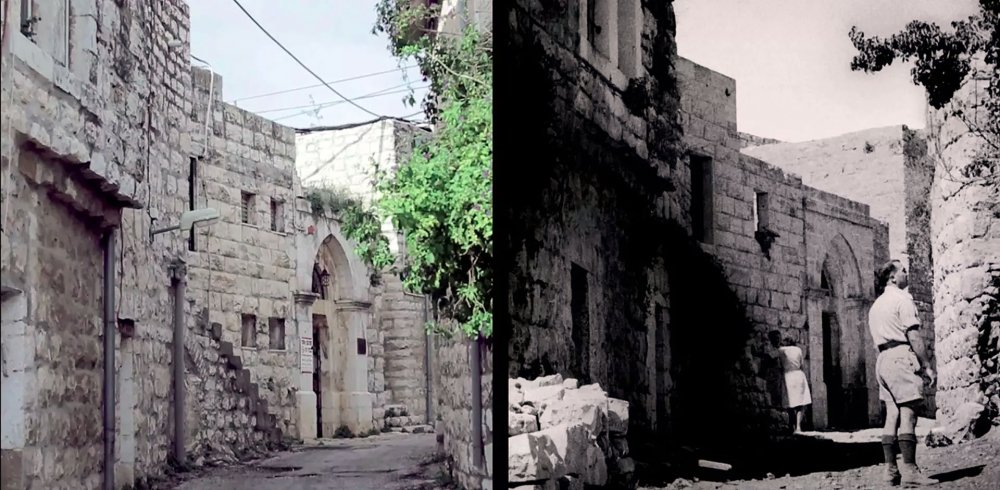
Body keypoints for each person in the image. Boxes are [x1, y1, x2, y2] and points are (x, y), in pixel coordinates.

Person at [869, 260, 938, 486]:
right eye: (903, 271)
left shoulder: (876, 305)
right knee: (909, 413)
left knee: (892, 414)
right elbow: (914, 335)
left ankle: (890, 471)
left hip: (883, 359)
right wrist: (926, 364)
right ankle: (910, 472)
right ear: (892, 277)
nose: (907, 274)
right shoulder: (902, 300)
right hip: (900, 355)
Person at [777, 336, 811, 433]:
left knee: (790, 403)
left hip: (788, 376)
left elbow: (779, 365)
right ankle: (798, 427)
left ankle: (790, 426)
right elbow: (802, 365)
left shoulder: (781, 350)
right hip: (798, 374)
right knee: (800, 403)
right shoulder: (798, 350)